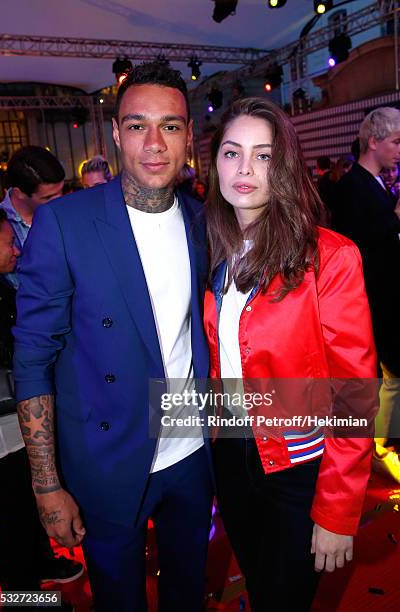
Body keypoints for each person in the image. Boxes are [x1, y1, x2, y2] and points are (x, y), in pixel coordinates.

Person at [13, 61, 213, 612]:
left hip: (191, 452)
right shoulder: (66, 223)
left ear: (189, 136)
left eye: (170, 126)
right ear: (116, 133)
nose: (154, 143)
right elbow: (32, 358)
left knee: (186, 594)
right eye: (136, 125)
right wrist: (46, 485)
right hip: (104, 460)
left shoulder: (202, 222)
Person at [203, 98, 377, 611]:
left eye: (262, 155)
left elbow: (355, 393)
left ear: (282, 165)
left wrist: (337, 511)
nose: (244, 169)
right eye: (232, 153)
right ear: (214, 164)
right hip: (232, 453)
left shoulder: (329, 256)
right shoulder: (211, 248)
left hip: (299, 466)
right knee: (261, 587)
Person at [0, 209, 81, 610]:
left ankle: (37, 574)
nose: (16, 249)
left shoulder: (0, 287)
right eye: (8, 242)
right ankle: (21, 599)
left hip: (11, 420)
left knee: (23, 510)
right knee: (12, 518)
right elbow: (12, 351)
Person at [332, 107, 400, 482]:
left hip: (385, 298)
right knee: (380, 377)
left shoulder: (373, 182)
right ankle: (374, 447)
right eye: (395, 141)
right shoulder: (352, 187)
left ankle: (378, 444)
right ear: (373, 141)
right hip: (373, 301)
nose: (399, 150)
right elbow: (360, 246)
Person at [0, 146, 65, 288]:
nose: (60, 201)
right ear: (19, 193)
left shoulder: (67, 210)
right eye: (48, 197)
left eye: (61, 191)